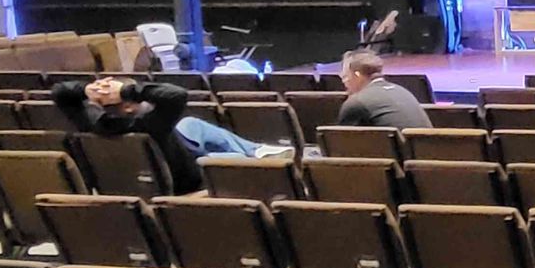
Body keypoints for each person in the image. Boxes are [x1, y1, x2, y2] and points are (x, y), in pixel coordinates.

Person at [51, 77, 284, 194]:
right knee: (240, 162)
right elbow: (176, 94)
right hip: (192, 174)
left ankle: (256, 149)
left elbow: (59, 91)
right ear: (129, 107)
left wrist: (88, 90)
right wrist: (127, 90)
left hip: (162, 159)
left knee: (191, 123)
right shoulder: (149, 125)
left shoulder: (91, 123)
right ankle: (252, 155)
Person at [336, 49, 431, 128]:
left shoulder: (357, 102)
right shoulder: (403, 92)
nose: (343, 81)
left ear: (358, 75)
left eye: (345, 76)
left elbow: (342, 141)